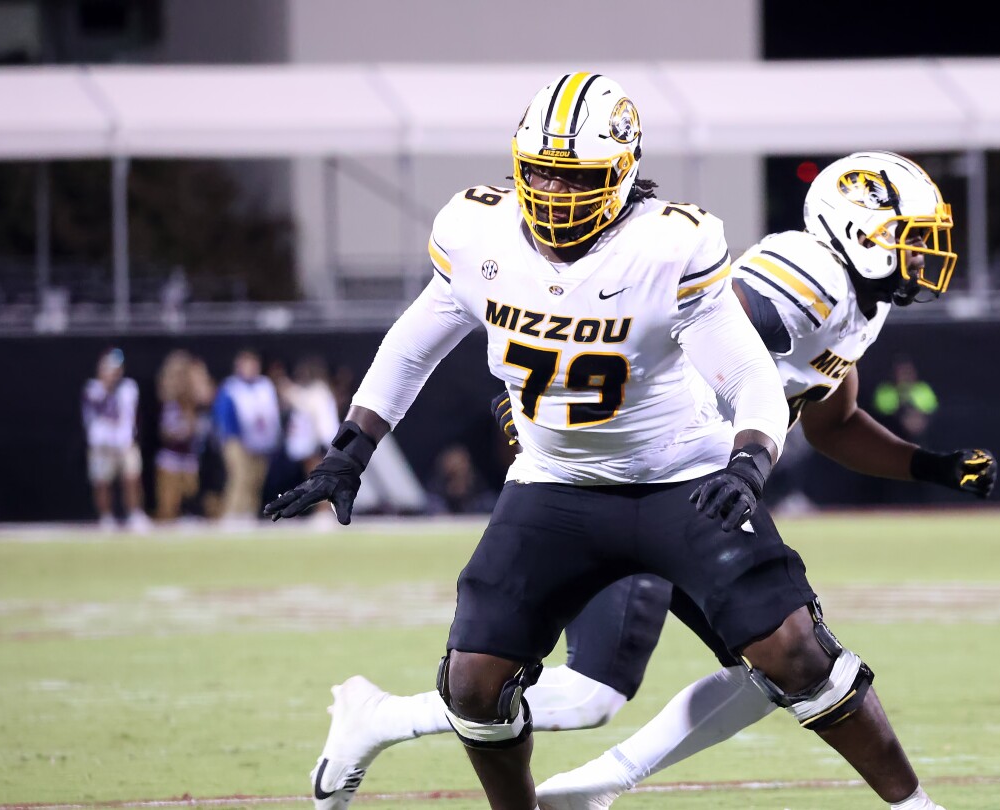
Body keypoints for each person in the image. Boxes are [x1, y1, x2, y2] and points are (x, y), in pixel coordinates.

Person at [266, 74, 947, 810]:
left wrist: (750, 460)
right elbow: (413, 343)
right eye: (541, 173)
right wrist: (351, 448)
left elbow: (748, 368)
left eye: (577, 177)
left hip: (680, 480)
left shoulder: (669, 245)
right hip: (555, 484)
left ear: (622, 173)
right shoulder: (477, 230)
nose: (554, 192)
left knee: (794, 653)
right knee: (475, 684)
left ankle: (914, 807)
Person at [530, 152, 997, 808]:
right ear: (857, 233)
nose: (922, 255)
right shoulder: (810, 270)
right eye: (908, 238)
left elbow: (835, 422)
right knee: (600, 690)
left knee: (782, 664)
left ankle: (590, 787)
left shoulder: (861, 304)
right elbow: (698, 326)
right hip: (651, 475)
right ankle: (400, 719)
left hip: (700, 488)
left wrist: (930, 465)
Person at [81, 347, 149, 531]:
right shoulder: (92, 389)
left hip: (124, 443)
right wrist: (106, 387)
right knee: (102, 482)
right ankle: (106, 517)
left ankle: (134, 514)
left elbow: (128, 416)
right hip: (101, 446)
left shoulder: (128, 388)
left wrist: (126, 439)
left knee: (132, 479)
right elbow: (94, 418)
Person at [212, 349, 281, 521]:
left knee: (256, 479)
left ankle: (248, 512)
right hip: (236, 439)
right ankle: (233, 513)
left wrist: (273, 436)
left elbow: (273, 414)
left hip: (261, 441)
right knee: (240, 476)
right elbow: (223, 415)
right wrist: (232, 436)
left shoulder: (265, 385)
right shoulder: (231, 387)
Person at [155, 349, 214, 522]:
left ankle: (188, 515)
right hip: (171, 454)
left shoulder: (194, 394)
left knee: (191, 492)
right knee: (168, 503)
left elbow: (207, 395)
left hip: (190, 454)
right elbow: (165, 432)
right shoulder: (168, 396)